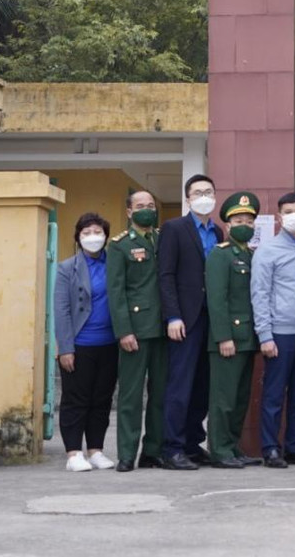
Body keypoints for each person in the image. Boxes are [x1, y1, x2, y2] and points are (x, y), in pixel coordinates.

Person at [252, 191, 295, 468]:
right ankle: (270, 448)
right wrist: (265, 335)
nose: (294, 216)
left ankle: (294, 446)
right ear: (280, 217)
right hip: (280, 334)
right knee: (273, 394)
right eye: (288, 211)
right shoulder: (267, 251)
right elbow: (259, 294)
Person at [157, 173, 222, 470]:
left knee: (203, 386)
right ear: (187, 199)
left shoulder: (218, 232)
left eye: (208, 191)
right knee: (180, 385)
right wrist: (173, 315)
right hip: (185, 318)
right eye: (197, 192)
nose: (203, 196)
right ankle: (172, 448)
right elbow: (166, 274)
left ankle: (193, 444)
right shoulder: (174, 228)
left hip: (213, 318)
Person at [106, 189, 168, 472]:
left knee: (160, 395)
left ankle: (153, 451)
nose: (147, 210)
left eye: (151, 205)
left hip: (163, 329)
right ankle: (127, 454)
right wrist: (124, 331)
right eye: (141, 206)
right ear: (130, 212)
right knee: (131, 397)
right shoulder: (119, 245)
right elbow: (116, 292)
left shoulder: (162, 239)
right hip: (135, 331)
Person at [53, 212, 119, 472]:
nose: (93, 237)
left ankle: (95, 450)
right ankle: (73, 453)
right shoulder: (67, 268)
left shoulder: (114, 262)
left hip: (109, 343)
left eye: (98, 232)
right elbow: (62, 310)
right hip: (80, 344)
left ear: (106, 236)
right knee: (75, 399)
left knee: (102, 400)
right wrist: (66, 347)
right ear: (78, 238)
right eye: (86, 233)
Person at [204, 192, 262, 468]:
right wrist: (224, 336)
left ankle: (233, 445)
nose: (245, 225)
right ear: (227, 225)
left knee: (240, 398)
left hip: (248, 337)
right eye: (239, 220)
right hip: (228, 340)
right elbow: (217, 299)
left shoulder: (251, 255)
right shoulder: (220, 254)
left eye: (249, 221)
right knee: (223, 399)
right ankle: (219, 450)